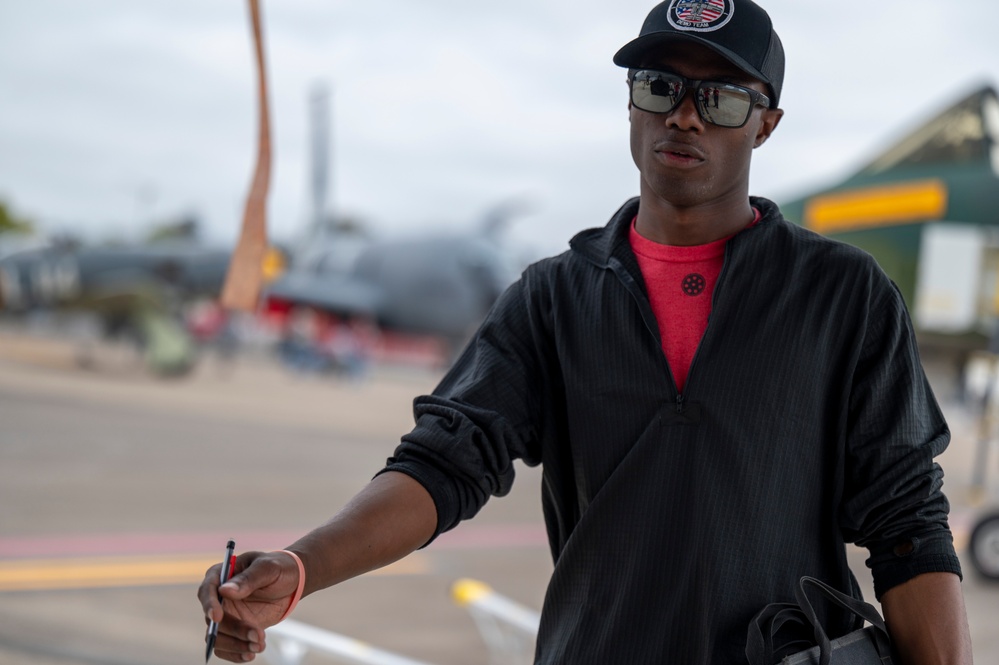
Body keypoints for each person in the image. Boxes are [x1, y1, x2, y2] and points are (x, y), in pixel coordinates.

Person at [199, 1, 974, 662]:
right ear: (630, 104)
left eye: (721, 99)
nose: (683, 114)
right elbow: (442, 465)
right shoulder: (551, 297)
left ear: (765, 124)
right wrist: (301, 566)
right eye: (659, 85)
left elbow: (905, 524)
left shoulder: (842, 295)